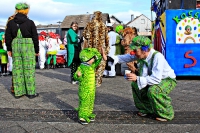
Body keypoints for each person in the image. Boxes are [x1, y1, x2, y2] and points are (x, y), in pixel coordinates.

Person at [113, 36, 177, 121]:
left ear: (145, 50)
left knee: (153, 90)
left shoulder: (157, 57)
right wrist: (111, 58)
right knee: (136, 85)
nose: (134, 53)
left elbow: (156, 79)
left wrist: (137, 78)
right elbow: (126, 57)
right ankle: (146, 109)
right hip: (152, 78)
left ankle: (166, 113)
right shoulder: (141, 55)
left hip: (167, 79)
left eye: (136, 51)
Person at [5, 2, 39, 99]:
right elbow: (35, 37)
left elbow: (8, 37)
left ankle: (19, 92)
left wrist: (9, 49)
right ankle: (31, 92)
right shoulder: (30, 22)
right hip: (28, 46)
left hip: (15, 45)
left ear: (17, 10)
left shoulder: (11, 22)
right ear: (26, 10)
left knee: (17, 68)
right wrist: (37, 50)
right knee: (29, 69)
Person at [73, 47, 106, 125]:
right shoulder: (81, 67)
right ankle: (82, 116)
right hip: (85, 89)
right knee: (84, 102)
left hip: (91, 89)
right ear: (88, 59)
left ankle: (88, 113)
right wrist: (78, 76)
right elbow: (76, 77)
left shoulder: (91, 66)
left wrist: (100, 53)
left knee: (91, 102)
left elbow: (98, 60)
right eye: (93, 58)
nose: (94, 59)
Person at [82, 11, 110, 87]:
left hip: (91, 49)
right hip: (101, 49)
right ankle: (98, 82)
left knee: (91, 64)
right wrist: (106, 50)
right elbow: (107, 38)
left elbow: (84, 35)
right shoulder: (103, 25)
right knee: (100, 66)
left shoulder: (89, 25)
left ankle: (91, 80)